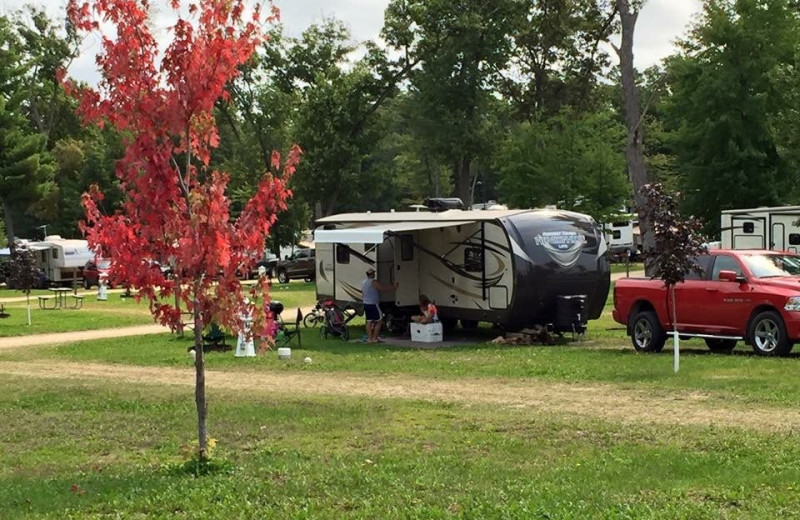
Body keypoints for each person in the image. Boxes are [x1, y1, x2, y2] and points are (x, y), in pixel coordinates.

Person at [362, 268, 398, 343]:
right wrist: (394, 287)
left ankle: (369, 339)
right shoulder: (374, 282)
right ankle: (375, 338)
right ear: (372, 274)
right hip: (373, 304)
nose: (374, 274)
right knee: (380, 320)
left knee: (369, 321)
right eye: (373, 273)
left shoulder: (364, 282)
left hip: (366, 303)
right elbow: (383, 289)